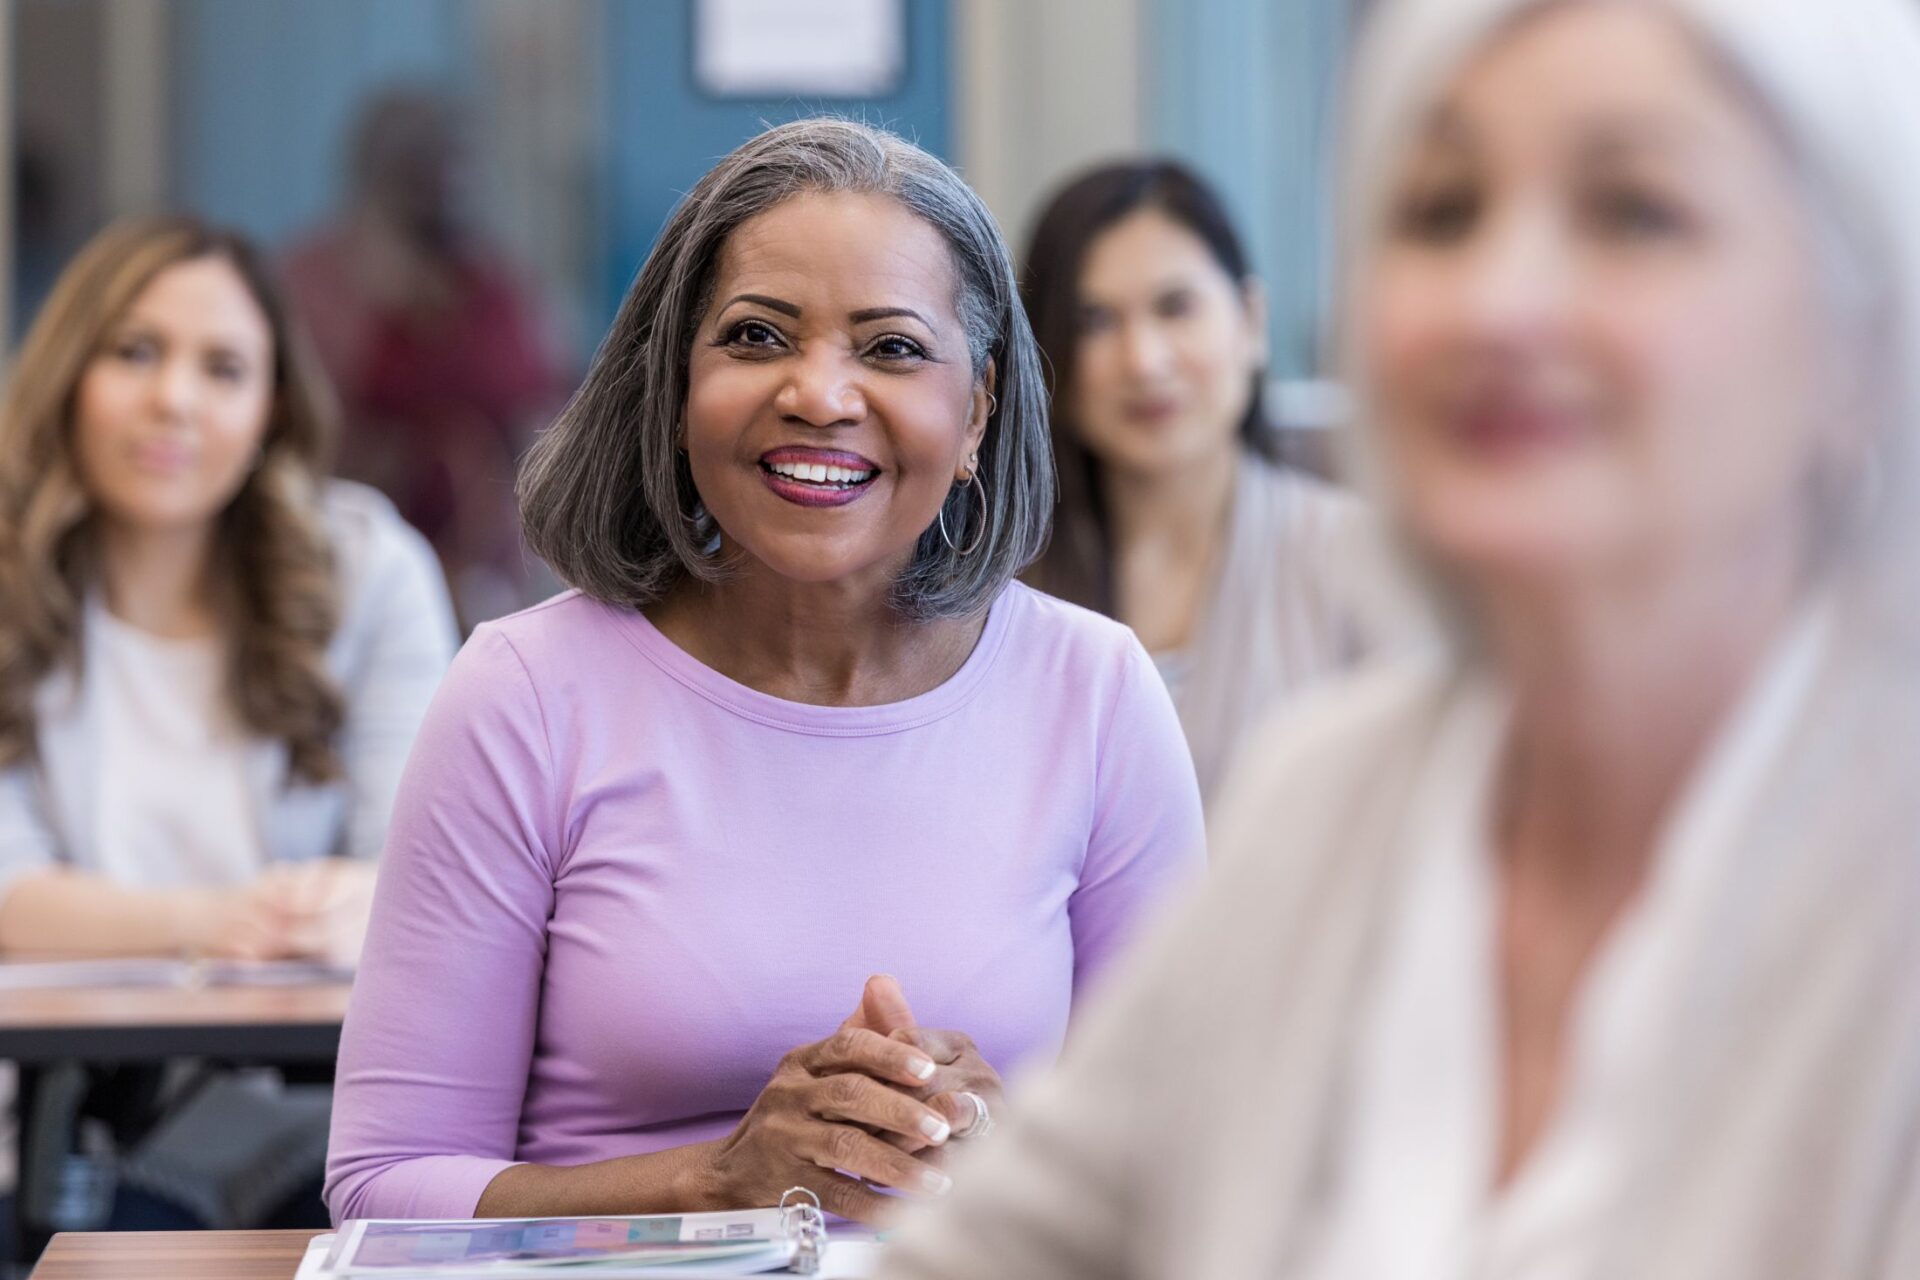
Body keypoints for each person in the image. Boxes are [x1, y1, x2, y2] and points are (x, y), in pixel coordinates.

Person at [880, 0, 1920, 1275]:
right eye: (1439, 211)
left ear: (1866, 348)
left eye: (1635, 210)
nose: (1500, 300)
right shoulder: (1335, 797)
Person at [324, 118, 1205, 1228]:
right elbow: (384, 1185)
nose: (821, 395)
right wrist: (721, 1180)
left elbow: (1193, 1169)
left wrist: (1007, 1145)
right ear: (677, 382)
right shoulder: (523, 693)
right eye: (755, 337)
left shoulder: (1098, 692)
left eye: (890, 347)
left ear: (976, 408)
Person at [0, 215, 457, 1233]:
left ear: (271, 409)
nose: (174, 398)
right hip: (44, 1124)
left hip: (315, 1115)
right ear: (68, 373)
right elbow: (6, 891)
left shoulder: (366, 569)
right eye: (134, 352)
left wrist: (363, 903)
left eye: (223, 367)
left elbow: (422, 866)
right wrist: (224, 922)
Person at [1021, 162, 1395, 812]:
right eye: (1095, 321)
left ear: (1250, 321)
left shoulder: (1364, 559)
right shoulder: (999, 589)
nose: (1144, 359)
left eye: (1176, 307)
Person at [284, 87, 567, 626]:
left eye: (455, 161)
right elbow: (308, 435)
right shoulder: (313, 287)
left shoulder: (492, 285)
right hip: (345, 560)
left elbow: (545, 412)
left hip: (489, 575)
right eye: (417, 163)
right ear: (375, 175)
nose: (444, 183)